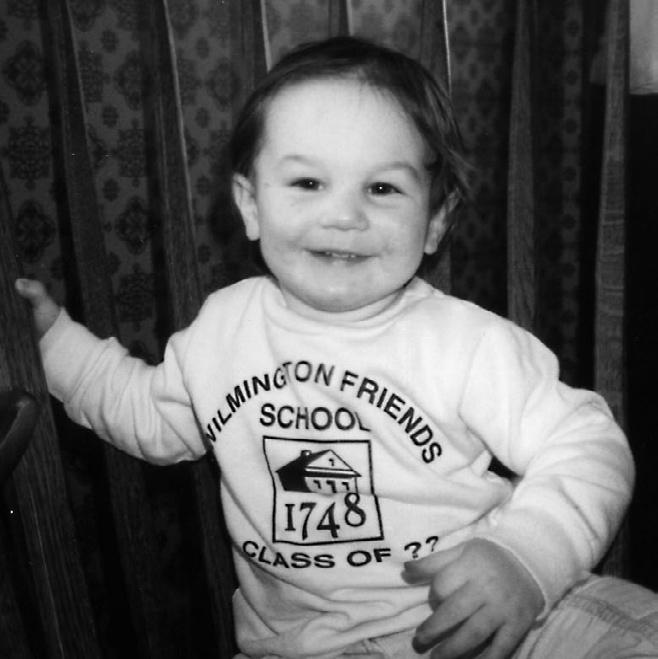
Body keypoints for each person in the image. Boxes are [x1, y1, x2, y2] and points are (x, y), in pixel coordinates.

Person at [14, 36, 658, 659]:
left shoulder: (465, 343)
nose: (344, 215)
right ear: (250, 204)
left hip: (488, 617)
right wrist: (52, 341)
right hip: (303, 646)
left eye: (382, 188)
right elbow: (148, 416)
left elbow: (587, 442)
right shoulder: (222, 330)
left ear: (435, 221)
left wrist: (526, 556)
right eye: (307, 183)